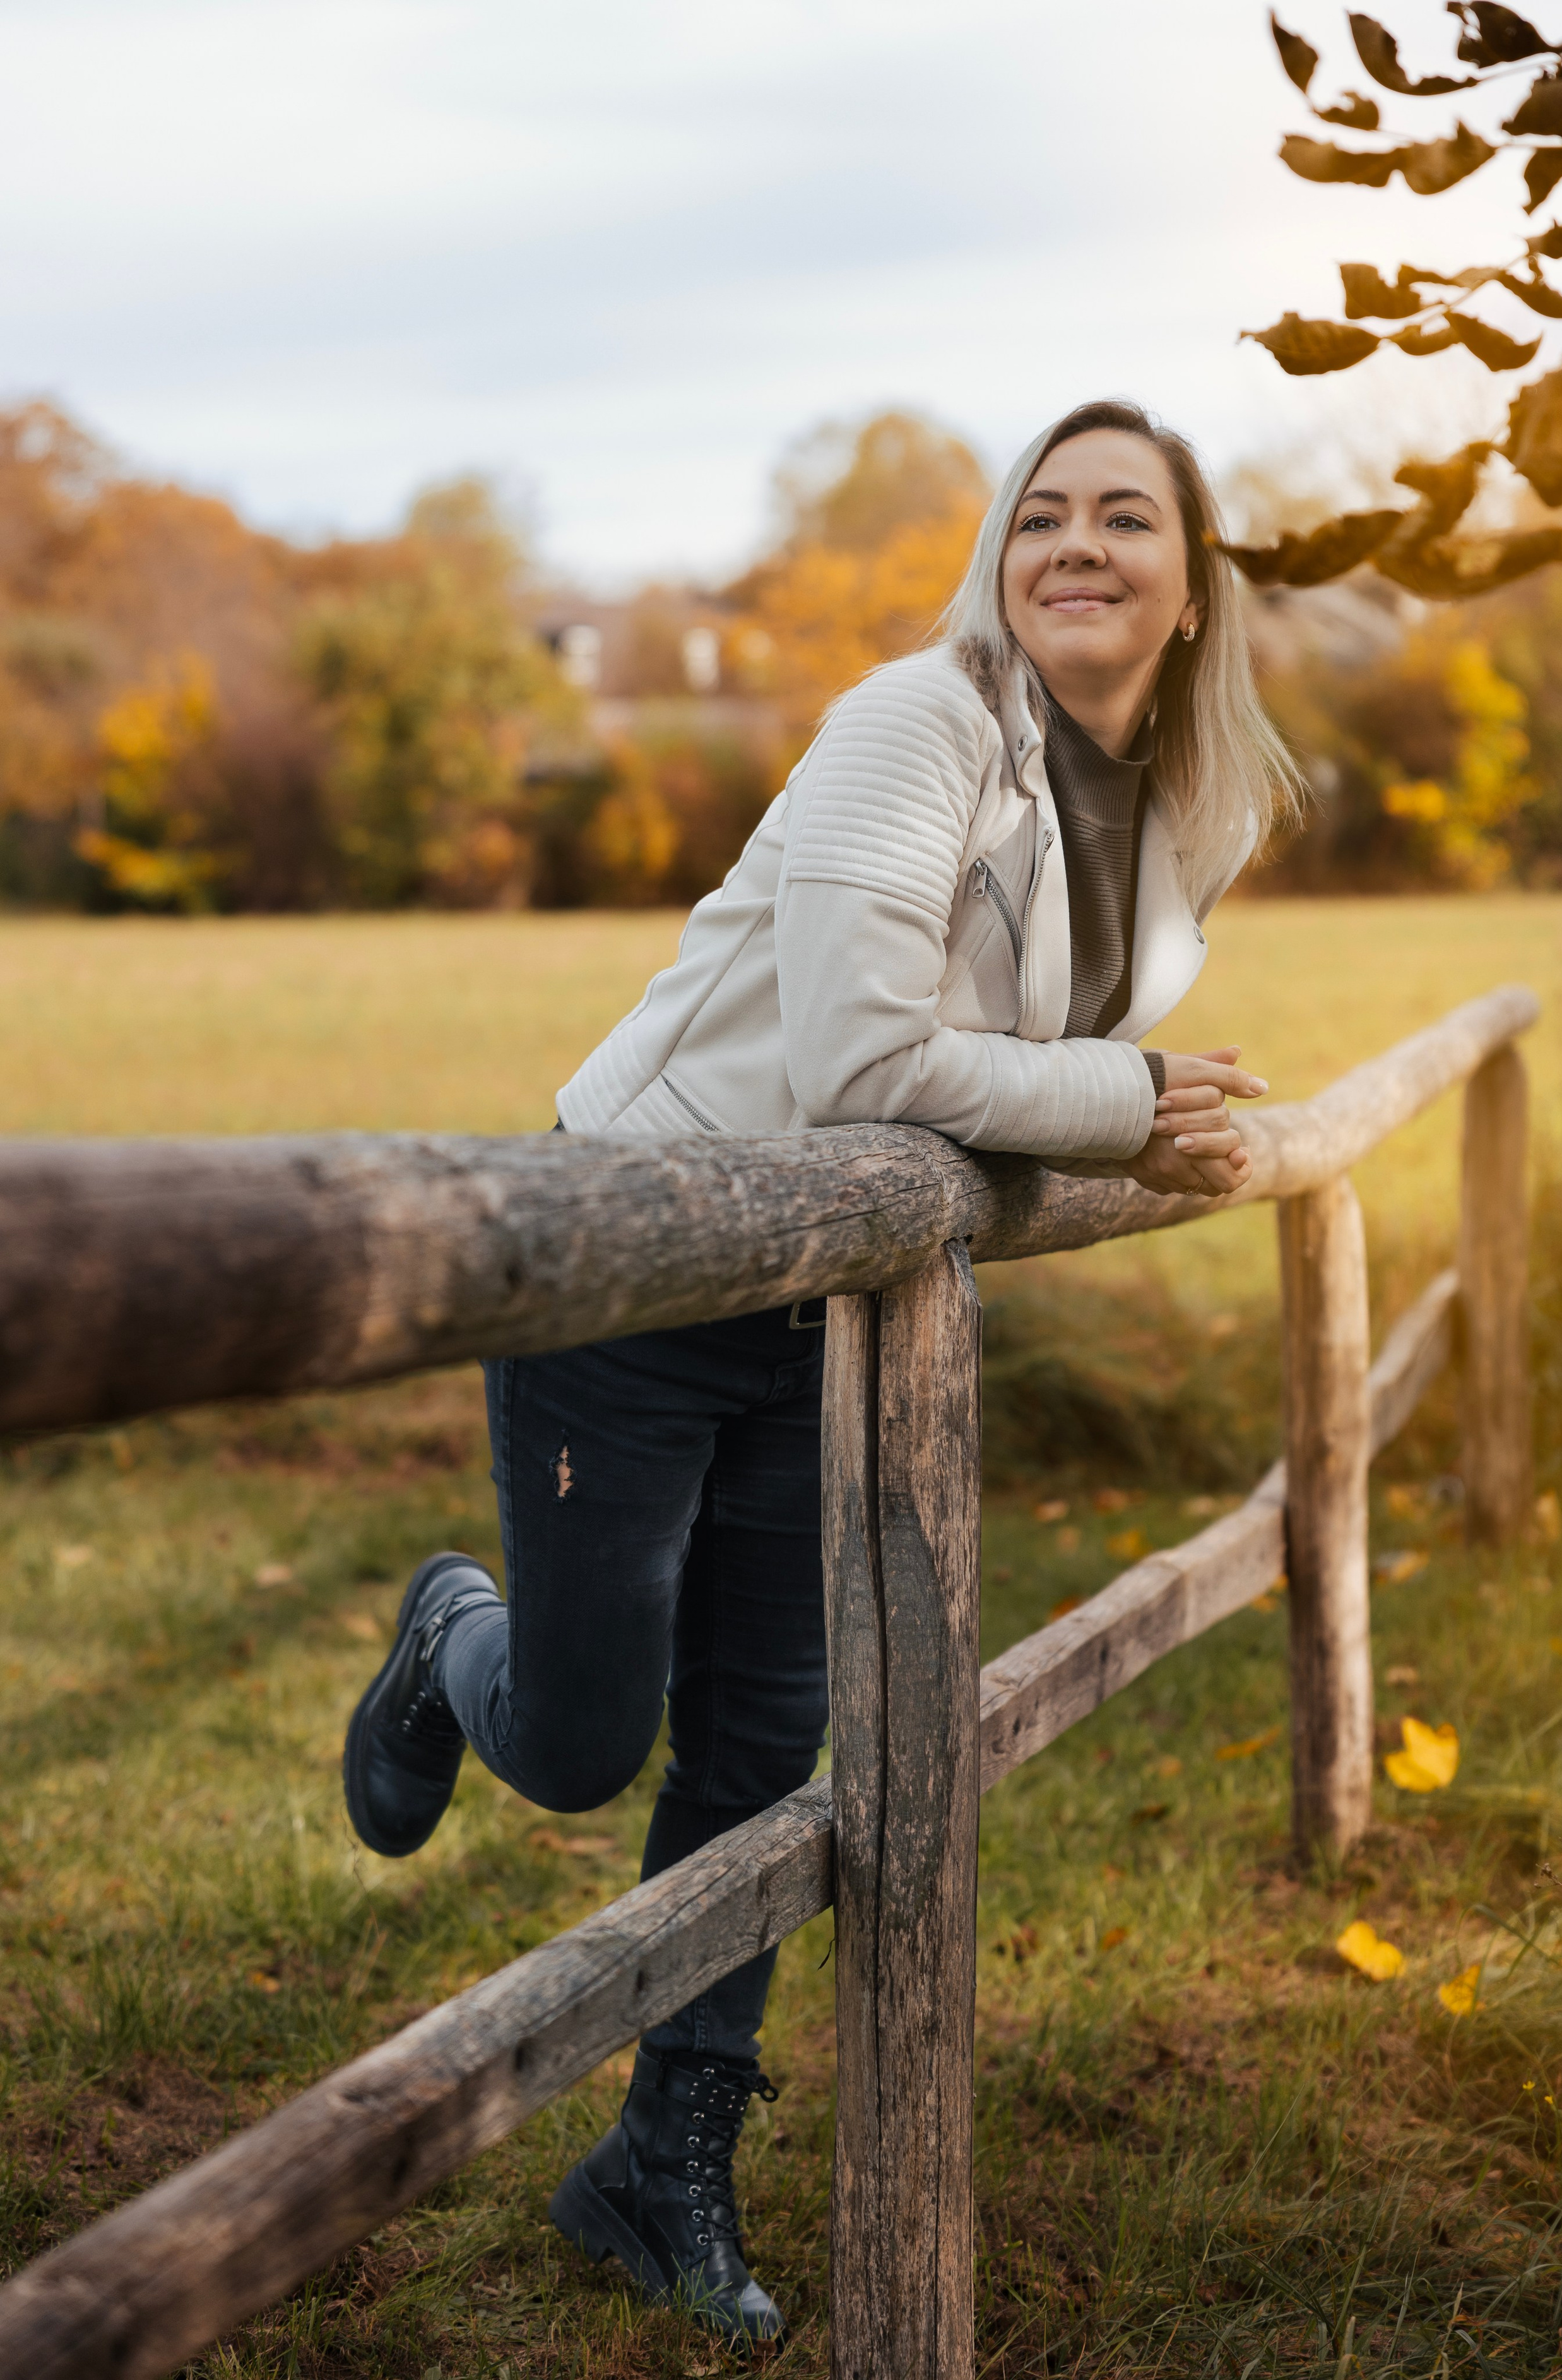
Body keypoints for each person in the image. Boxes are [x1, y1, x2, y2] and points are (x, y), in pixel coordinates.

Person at [341, 398, 1302, 2342]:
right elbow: (872, 1059)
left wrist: (1130, 1118)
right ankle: (455, 1625)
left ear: (1196, 591)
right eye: (1042, 514)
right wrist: (1125, 1105)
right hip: (649, 1243)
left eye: (1129, 516)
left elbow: (997, 1058)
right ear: (999, 559)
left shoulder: (1192, 810)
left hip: (840, 1300)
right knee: (582, 1741)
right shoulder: (916, 721)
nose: (1079, 543)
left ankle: (655, 2158)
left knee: (765, 1752)